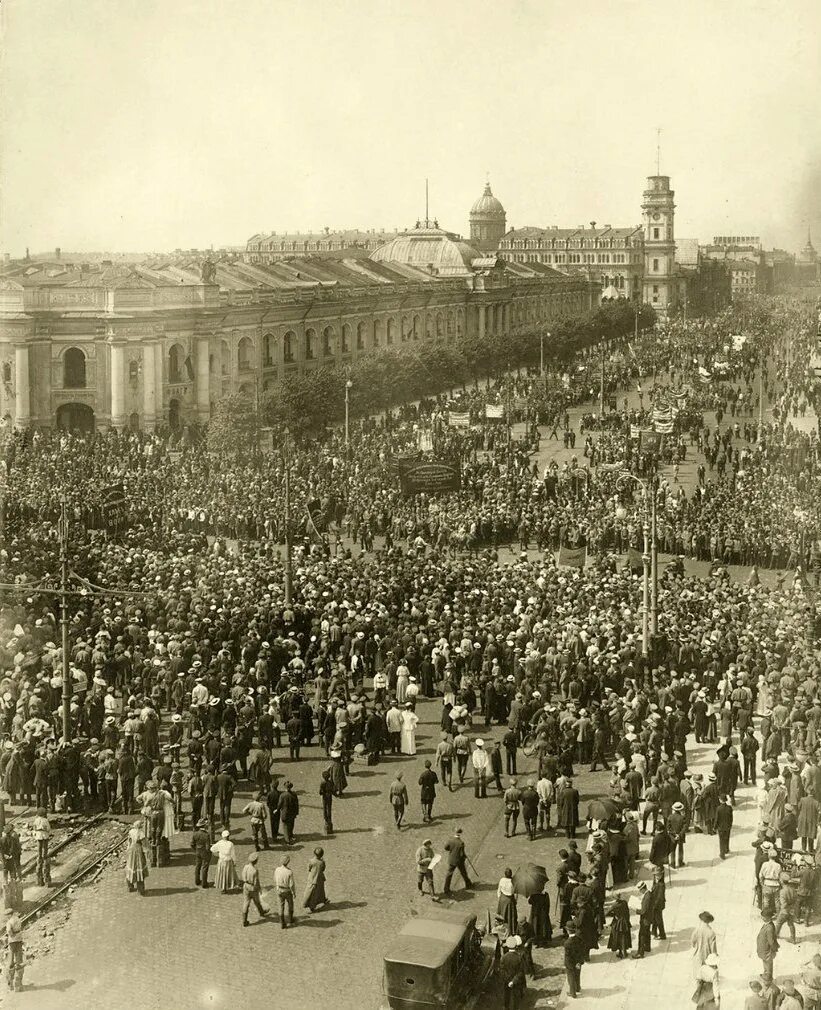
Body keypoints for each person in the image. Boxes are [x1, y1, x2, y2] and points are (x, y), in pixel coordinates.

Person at [240, 851, 269, 926]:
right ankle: (261, 912)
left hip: (246, 886)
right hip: (253, 888)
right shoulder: (255, 870)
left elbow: (243, 877)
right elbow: (256, 881)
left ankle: (244, 920)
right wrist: (259, 889)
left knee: (246, 902)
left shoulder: (245, 867)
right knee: (257, 901)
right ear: (255, 861)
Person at [499, 935, 527, 1010]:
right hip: (517, 982)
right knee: (516, 999)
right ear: (516, 946)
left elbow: (502, 971)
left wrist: (508, 981)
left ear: (507, 946)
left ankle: (506, 1008)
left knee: (506, 997)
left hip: (506, 982)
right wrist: (513, 981)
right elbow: (521, 972)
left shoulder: (503, 958)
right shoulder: (519, 958)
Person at [443, 827, 472, 895]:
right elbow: (461, 854)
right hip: (459, 861)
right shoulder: (461, 843)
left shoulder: (450, 840)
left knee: (449, 875)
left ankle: (446, 889)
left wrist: (452, 850)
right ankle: (468, 884)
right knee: (463, 872)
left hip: (451, 860)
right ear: (460, 834)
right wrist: (464, 857)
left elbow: (445, 848)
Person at [125, 818, 149, 895]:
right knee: (139, 867)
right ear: (139, 826)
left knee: (131, 866)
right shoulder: (140, 833)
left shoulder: (131, 831)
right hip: (138, 850)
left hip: (131, 849)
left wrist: (128, 849)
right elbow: (145, 843)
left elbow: (129, 841)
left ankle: (130, 886)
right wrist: (148, 850)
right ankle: (140, 889)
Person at [210, 829, 238, 894]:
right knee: (228, 874)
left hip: (221, 860)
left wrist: (218, 851)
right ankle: (228, 885)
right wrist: (234, 861)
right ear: (228, 836)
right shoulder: (230, 844)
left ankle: (223, 888)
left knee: (222, 874)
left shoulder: (219, 843)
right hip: (228, 860)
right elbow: (233, 854)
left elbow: (212, 849)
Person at [691, 911, 718, 979]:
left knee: (697, 974)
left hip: (697, 955)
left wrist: (695, 945)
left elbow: (693, 942)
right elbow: (713, 950)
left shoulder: (697, 930)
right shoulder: (712, 933)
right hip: (707, 956)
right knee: (706, 973)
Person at [274, 854, 296, 929]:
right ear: (288, 862)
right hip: (287, 890)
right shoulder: (289, 872)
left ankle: (282, 922)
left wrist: (277, 887)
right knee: (290, 904)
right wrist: (293, 893)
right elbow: (291, 884)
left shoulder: (277, 869)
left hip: (279, 890)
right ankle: (290, 919)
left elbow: (275, 879)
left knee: (281, 906)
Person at [303, 847, 328, 913]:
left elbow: (309, 868)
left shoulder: (311, 861)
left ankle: (311, 905)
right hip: (319, 879)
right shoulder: (322, 862)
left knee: (311, 892)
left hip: (312, 879)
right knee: (320, 890)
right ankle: (322, 899)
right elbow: (323, 869)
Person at [632, 881, 653, 958]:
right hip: (648, 918)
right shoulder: (648, 894)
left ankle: (640, 953)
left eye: (640, 890)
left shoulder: (647, 897)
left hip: (645, 919)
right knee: (647, 933)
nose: (640, 892)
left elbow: (643, 911)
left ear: (643, 889)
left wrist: (635, 910)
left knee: (642, 935)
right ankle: (647, 947)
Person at [606, 894, 632, 959]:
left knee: (618, 937)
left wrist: (614, 914)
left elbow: (607, 913)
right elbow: (627, 912)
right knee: (624, 937)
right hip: (625, 921)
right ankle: (624, 952)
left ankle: (621, 952)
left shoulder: (614, 905)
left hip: (618, 923)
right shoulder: (625, 902)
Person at [4, 911, 24, 992]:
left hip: (12, 941)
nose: (6, 917)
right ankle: (18, 985)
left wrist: (12, 935)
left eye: (6, 915)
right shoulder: (18, 919)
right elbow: (20, 928)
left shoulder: (9, 922)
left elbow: (9, 931)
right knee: (19, 960)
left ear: (10, 914)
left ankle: (11, 985)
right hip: (19, 939)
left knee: (11, 961)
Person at [564, 923, 585, 998]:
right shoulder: (579, 939)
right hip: (578, 962)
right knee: (577, 975)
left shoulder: (567, 943)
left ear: (568, 931)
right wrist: (579, 962)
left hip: (570, 964)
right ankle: (578, 988)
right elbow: (582, 951)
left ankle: (572, 993)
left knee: (571, 978)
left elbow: (568, 956)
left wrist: (569, 965)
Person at [757, 912, 779, 982]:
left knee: (768, 964)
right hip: (764, 950)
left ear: (768, 918)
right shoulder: (767, 924)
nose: (762, 918)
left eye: (763, 917)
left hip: (767, 951)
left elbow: (771, 941)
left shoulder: (769, 928)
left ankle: (768, 979)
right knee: (765, 963)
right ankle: (766, 974)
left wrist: (773, 950)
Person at [528, 882, 552, 946]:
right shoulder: (545, 894)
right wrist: (547, 912)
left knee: (536, 926)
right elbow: (548, 904)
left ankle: (536, 941)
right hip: (543, 913)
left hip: (535, 913)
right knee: (543, 927)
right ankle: (543, 940)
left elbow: (530, 901)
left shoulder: (533, 894)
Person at [190, 817, 212, 888]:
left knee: (198, 866)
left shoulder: (195, 834)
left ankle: (197, 881)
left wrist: (195, 849)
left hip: (198, 851)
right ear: (204, 826)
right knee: (205, 868)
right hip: (204, 852)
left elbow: (192, 844)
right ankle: (204, 883)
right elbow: (208, 847)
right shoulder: (206, 835)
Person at [32, 807, 51, 887]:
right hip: (44, 836)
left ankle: (39, 881)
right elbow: (49, 829)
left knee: (39, 853)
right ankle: (47, 880)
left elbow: (34, 828)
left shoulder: (36, 820)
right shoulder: (45, 820)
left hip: (38, 837)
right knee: (45, 853)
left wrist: (36, 833)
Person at [278, 780, 299, 845]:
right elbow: (296, 804)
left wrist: (277, 809)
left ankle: (287, 840)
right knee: (291, 824)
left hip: (285, 813)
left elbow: (280, 804)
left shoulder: (282, 795)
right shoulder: (294, 794)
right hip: (292, 813)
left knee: (285, 826)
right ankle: (290, 835)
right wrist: (296, 812)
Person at [497, 867, 518, 933]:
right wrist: (515, 901)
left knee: (502, 915)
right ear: (511, 874)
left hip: (502, 899)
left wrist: (500, 899)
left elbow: (498, 891)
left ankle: (501, 930)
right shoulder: (514, 882)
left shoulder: (502, 880)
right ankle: (511, 930)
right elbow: (515, 893)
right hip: (510, 900)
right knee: (511, 916)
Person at [716, 794, 734, 858]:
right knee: (727, 838)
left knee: (721, 840)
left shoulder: (718, 808)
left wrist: (714, 827)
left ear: (721, 800)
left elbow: (717, 819)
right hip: (727, 826)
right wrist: (730, 825)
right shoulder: (729, 808)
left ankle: (722, 854)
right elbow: (731, 818)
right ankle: (726, 849)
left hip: (721, 827)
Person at [319, 768, 335, 835]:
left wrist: (322, 793)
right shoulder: (331, 782)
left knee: (325, 809)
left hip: (325, 797)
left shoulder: (322, 783)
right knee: (329, 809)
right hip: (329, 796)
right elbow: (333, 790)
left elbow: (320, 792)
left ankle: (326, 823)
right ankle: (330, 824)